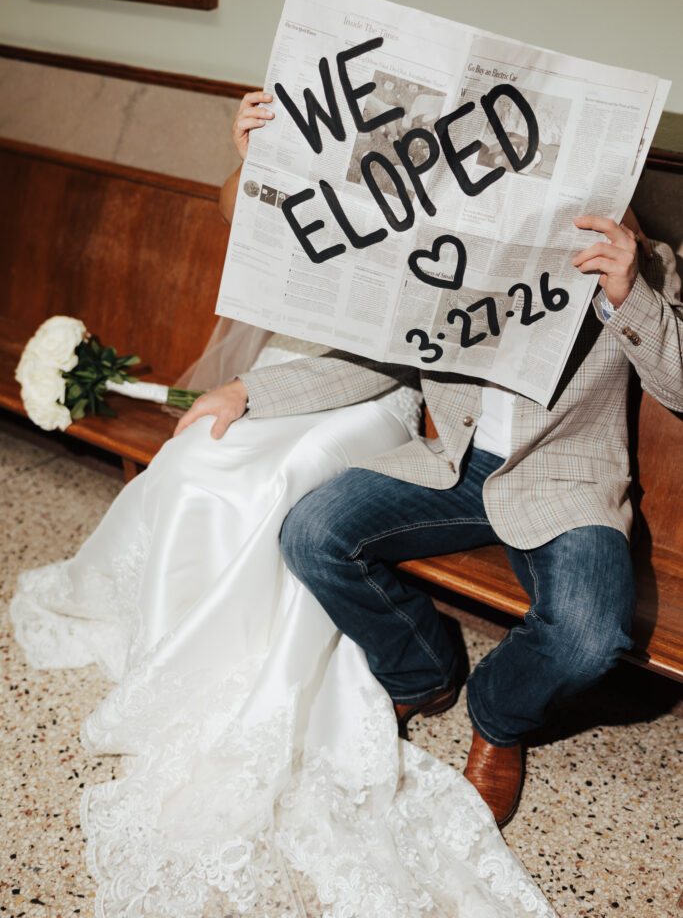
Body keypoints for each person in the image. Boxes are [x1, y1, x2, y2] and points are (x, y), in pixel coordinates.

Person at [11, 97, 564, 917]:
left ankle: (282, 665)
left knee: (294, 471)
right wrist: (249, 154)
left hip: (372, 388)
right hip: (287, 363)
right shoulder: (320, 149)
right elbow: (241, 216)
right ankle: (181, 647)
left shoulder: (451, 190)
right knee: (201, 455)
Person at [177, 90, 683, 830]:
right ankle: (421, 671)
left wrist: (626, 293)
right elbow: (376, 362)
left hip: (562, 480)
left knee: (587, 634)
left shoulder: (647, 266)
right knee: (312, 532)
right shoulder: (442, 249)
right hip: (451, 466)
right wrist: (247, 389)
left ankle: (497, 720)